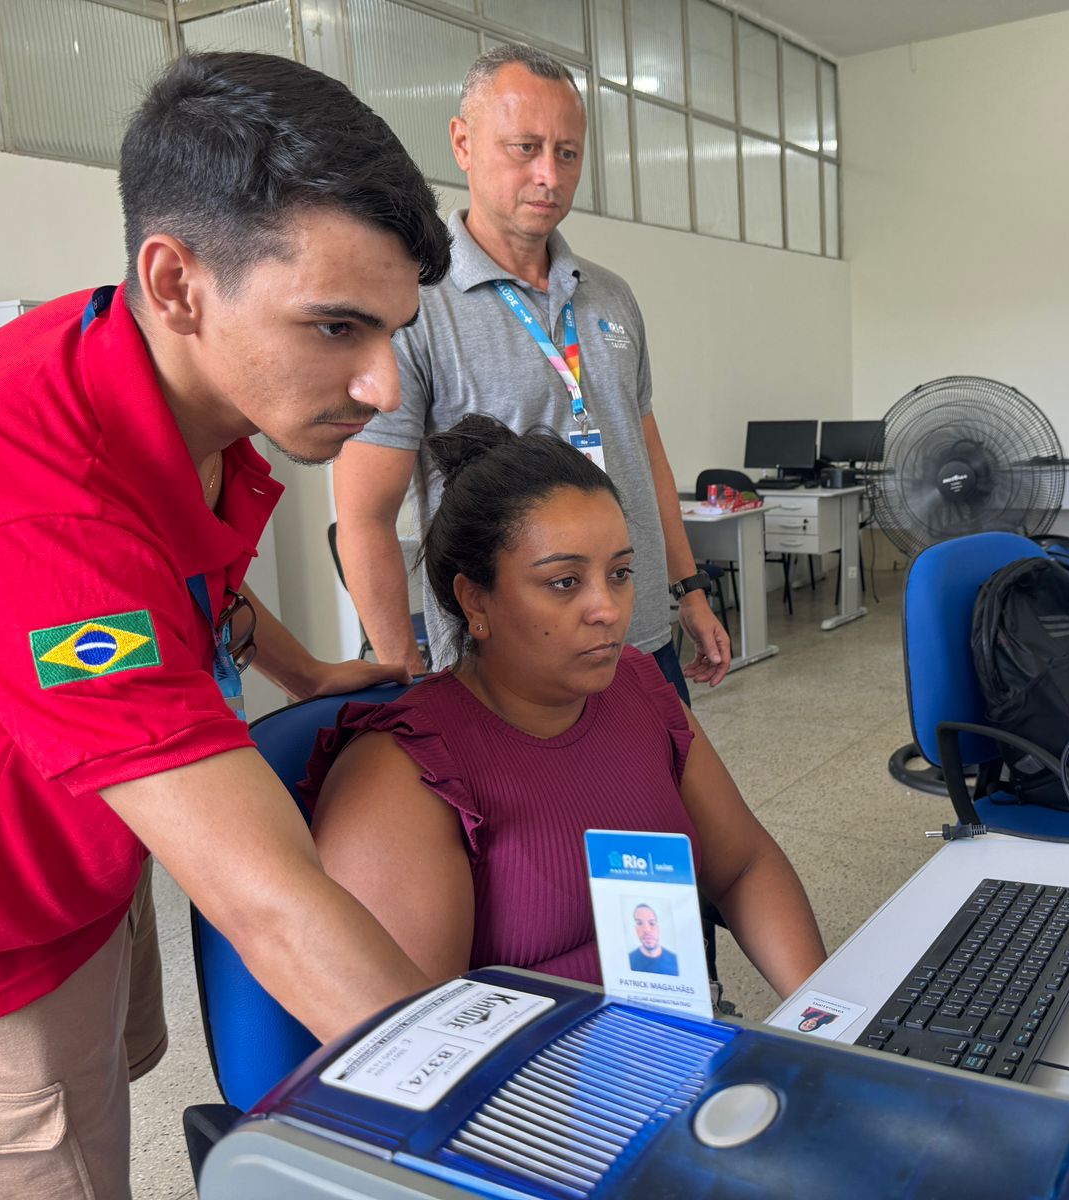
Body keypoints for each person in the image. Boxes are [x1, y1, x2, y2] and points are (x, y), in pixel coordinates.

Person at [0, 53, 456, 1199]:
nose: (381, 387)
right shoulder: (40, 498)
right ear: (175, 280)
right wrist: (491, 1117)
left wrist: (306, 667)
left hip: (88, 861)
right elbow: (263, 898)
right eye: (335, 329)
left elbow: (189, 577)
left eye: (393, 334)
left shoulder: (170, 384)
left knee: (108, 1095)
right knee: (51, 1154)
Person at [307, 417, 825, 998]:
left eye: (620, 573)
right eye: (564, 582)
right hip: (536, 1085)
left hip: (674, 1048)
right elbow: (419, 1049)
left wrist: (828, 1025)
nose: (608, 609)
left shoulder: (637, 684)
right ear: (475, 599)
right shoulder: (404, 773)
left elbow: (744, 865)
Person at [333, 42, 730, 703]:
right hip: (504, 668)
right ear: (463, 143)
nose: (549, 174)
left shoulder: (610, 296)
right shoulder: (412, 306)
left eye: (567, 152)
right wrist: (406, 689)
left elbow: (646, 453)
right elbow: (364, 517)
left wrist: (688, 591)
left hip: (639, 644)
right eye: (525, 148)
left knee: (661, 808)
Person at [628, 904, 679, 976]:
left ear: (659, 926)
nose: (646, 930)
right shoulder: (628, 962)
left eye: (652, 923)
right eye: (639, 923)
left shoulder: (676, 961)